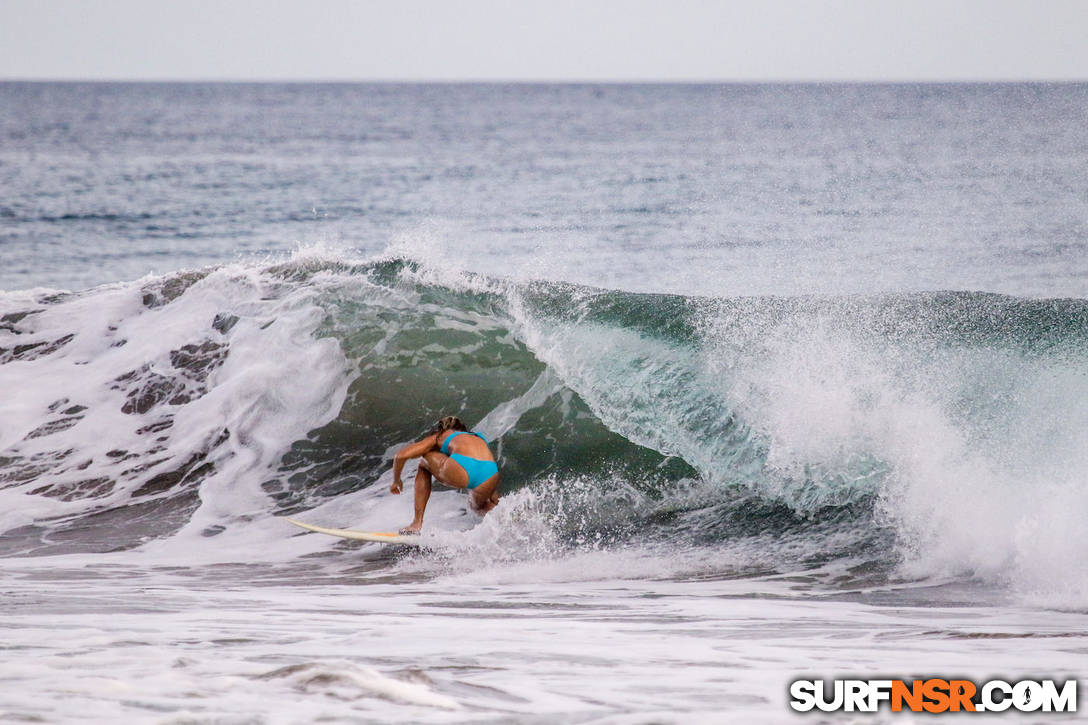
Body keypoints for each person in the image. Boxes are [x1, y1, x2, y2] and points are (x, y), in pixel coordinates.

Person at [390, 416, 500, 534]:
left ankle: (416, 524)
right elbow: (480, 465)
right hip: (491, 473)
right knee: (480, 507)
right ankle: (505, 518)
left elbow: (401, 456)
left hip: (464, 467)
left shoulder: (441, 435)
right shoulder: (477, 437)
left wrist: (396, 481)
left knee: (424, 462)